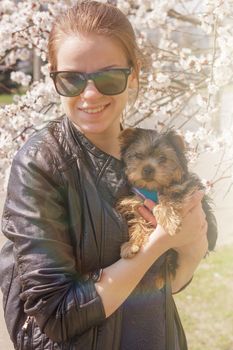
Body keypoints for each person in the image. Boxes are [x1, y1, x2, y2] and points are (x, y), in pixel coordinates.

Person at [0, 1, 209, 349]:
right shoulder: (41, 166)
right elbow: (57, 316)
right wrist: (159, 243)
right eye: (71, 79)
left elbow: (165, 283)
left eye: (109, 77)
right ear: (54, 78)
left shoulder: (149, 158)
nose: (90, 94)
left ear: (134, 75)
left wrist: (190, 248)